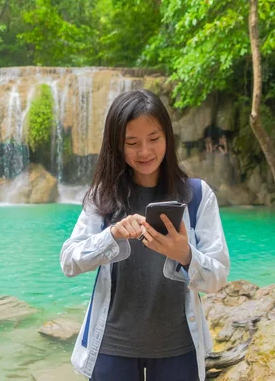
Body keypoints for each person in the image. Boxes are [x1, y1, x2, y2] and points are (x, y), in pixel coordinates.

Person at [60, 89, 230, 381]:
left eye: (154, 139)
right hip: (112, 347)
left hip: (178, 348)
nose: (145, 152)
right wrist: (111, 236)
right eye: (131, 143)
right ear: (116, 144)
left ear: (167, 137)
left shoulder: (197, 195)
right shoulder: (103, 197)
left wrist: (184, 254)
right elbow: (69, 262)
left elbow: (217, 279)